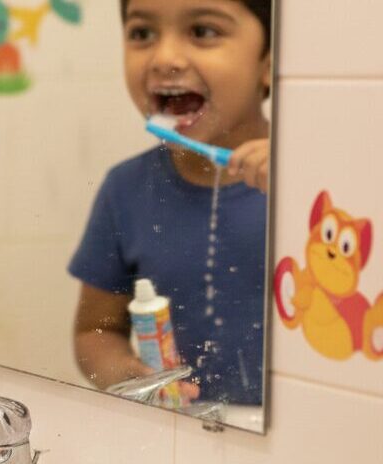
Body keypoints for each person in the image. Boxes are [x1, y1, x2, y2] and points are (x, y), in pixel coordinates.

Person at [69, 0, 273, 406]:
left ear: (269, 64)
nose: (165, 58)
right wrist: (132, 376)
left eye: (203, 31)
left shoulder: (318, 188)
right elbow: (94, 332)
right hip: (180, 441)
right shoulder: (125, 189)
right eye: (142, 34)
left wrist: (302, 183)